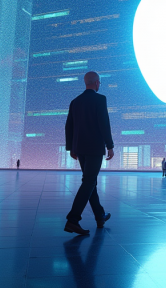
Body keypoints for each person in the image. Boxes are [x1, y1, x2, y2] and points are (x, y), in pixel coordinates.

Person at [64, 71, 114, 236]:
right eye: (100, 83)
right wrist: (110, 145)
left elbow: (68, 126)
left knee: (90, 183)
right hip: (94, 149)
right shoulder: (100, 99)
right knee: (89, 182)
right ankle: (73, 220)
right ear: (97, 83)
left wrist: (71, 148)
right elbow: (104, 123)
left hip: (80, 150)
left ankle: (100, 216)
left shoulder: (75, 102)